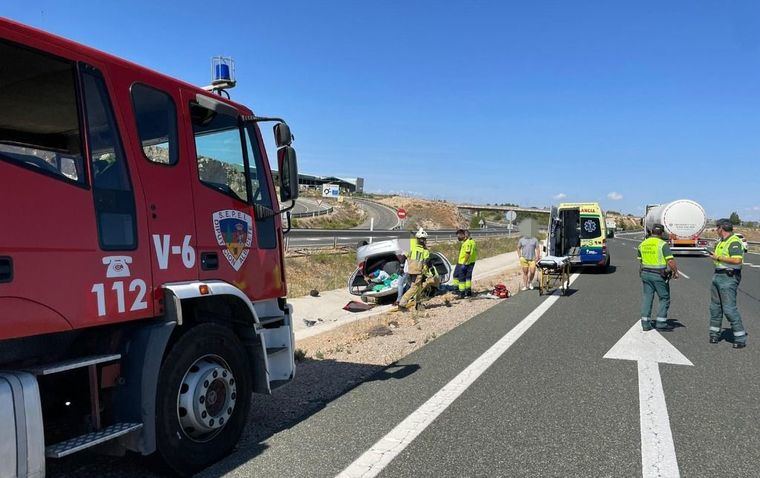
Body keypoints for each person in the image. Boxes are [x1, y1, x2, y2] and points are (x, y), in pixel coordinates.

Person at [707, 219, 747, 348]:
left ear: (721, 228)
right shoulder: (721, 242)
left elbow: (737, 260)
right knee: (715, 307)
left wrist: (717, 257)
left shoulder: (734, 241)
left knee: (729, 309)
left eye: (716, 228)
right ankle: (714, 334)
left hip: (729, 277)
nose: (716, 230)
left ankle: (740, 338)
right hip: (718, 275)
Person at [638, 224, 679, 331]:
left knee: (647, 297)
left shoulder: (642, 244)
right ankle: (661, 323)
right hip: (659, 275)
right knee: (664, 298)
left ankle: (645, 323)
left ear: (652, 232)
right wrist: (675, 272)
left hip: (645, 274)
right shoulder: (662, 244)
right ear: (661, 233)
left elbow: (641, 261)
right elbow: (670, 261)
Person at [398, 228, 431, 309]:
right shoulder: (424, 251)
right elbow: (426, 263)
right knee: (414, 288)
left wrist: (401, 267)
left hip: (412, 271)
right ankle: (402, 303)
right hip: (417, 272)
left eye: (424, 239)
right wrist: (427, 274)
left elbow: (403, 257)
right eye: (423, 239)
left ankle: (418, 304)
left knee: (418, 288)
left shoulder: (413, 248)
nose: (423, 241)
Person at [453, 229, 478, 298]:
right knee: (467, 278)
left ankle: (461, 293)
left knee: (461, 278)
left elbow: (467, 253)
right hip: (470, 262)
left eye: (459, 236)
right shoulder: (472, 241)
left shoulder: (467, 243)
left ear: (464, 235)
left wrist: (464, 263)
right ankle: (468, 291)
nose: (458, 237)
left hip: (463, 262)